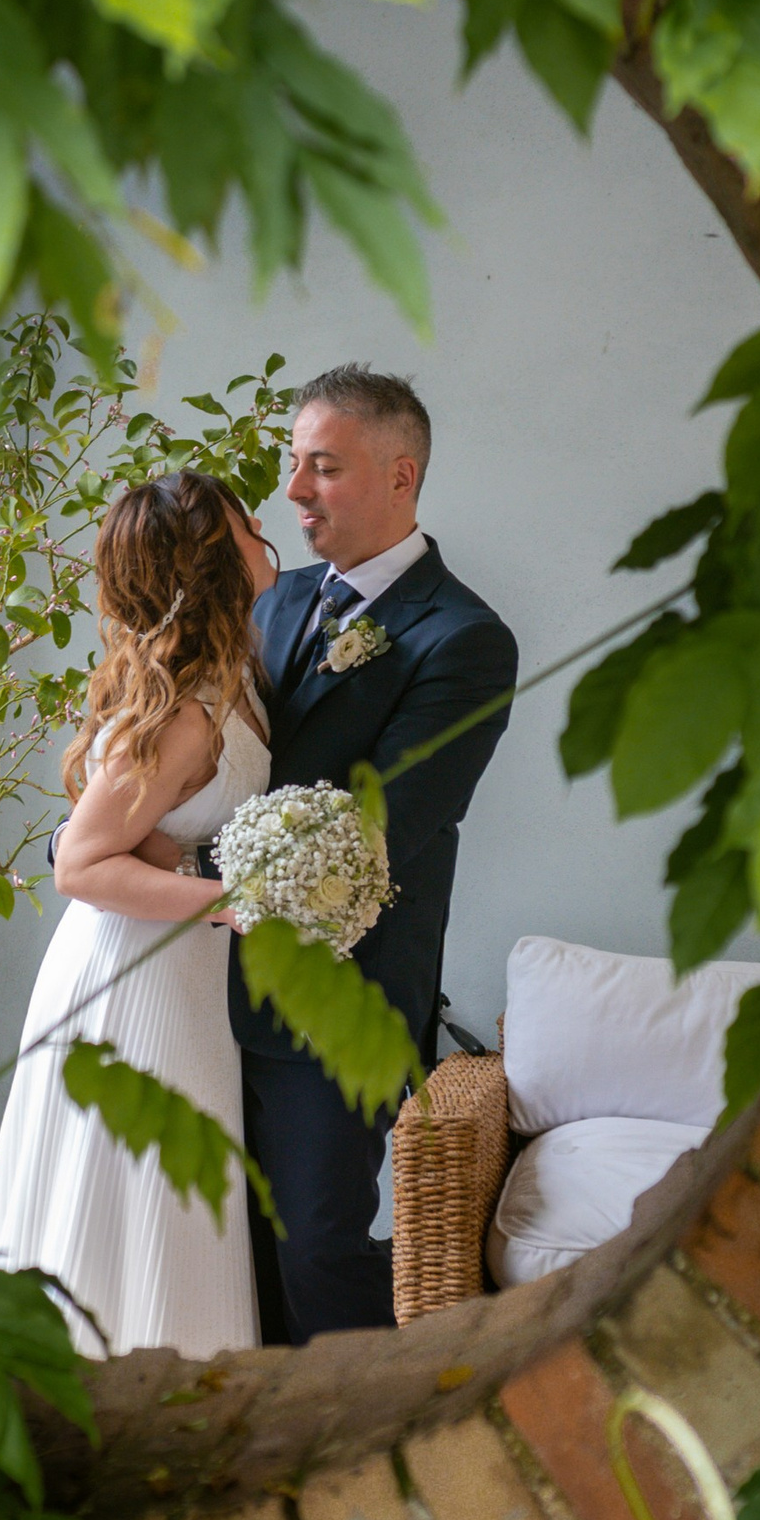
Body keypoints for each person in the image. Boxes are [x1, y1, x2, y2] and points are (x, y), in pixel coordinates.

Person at [226, 368, 517, 1342]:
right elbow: (193, 759)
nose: (297, 492)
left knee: (312, 1248)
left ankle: (358, 1441)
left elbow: (372, 838)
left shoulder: (466, 639)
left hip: (338, 999)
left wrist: (148, 878)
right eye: (293, 466)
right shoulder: (268, 603)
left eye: (324, 468)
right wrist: (95, 840)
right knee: (214, 1240)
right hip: (196, 979)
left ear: (400, 477)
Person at [0, 472, 277, 1359]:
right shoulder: (187, 712)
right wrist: (231, 900)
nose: (266, 532)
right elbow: (78, 860)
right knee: (135, 1198)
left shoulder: (230, 676)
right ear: (217, 564)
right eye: (244, 525)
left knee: (170, 1205)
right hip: (133, 979)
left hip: (180, 968)